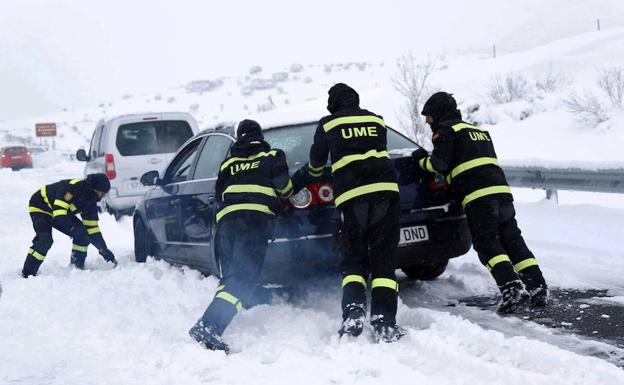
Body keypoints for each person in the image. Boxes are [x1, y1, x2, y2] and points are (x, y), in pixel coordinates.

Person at [411, 91, 548, 313]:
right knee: (513, 241)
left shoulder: (446, 131)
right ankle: (537, 287)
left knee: (487, 244)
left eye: (429, 115)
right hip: (502, 194)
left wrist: (420, 160)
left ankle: (511, 289)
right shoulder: (478, 131)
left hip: (478, 198)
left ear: (439, 113)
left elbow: (438, 164)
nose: (427, 120)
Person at [304, 83, 405, 343]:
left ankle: (353, 313)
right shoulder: (376, 120)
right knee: (384, 259)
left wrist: (316, 175)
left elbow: (316, 164)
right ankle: (384, 321)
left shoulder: (328, 124)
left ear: (333, 103)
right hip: (386, 194)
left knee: (354, 259)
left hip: (352, 198)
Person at [189, 119, 299, 352]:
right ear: (260, 136)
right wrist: (289, 195)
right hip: (253, 222)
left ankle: (234, 307)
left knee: (230, 276)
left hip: (226, 225)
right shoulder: (272, 156)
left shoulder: (228, 163)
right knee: (244, 278)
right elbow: (284, 187)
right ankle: (208, 325)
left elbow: (219, 195)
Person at [22, 173, 117, 278]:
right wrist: (72, 228)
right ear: (94, 189)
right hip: (41, 205)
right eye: (102, 192)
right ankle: (27, 273)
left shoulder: (91, 202)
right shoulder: (74, 188)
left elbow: (93, 230)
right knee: (45, 240)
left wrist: (103, 250)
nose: (103, 196)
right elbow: (59, 213)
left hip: (60, 212)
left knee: (82, 234)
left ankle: (77, 267)